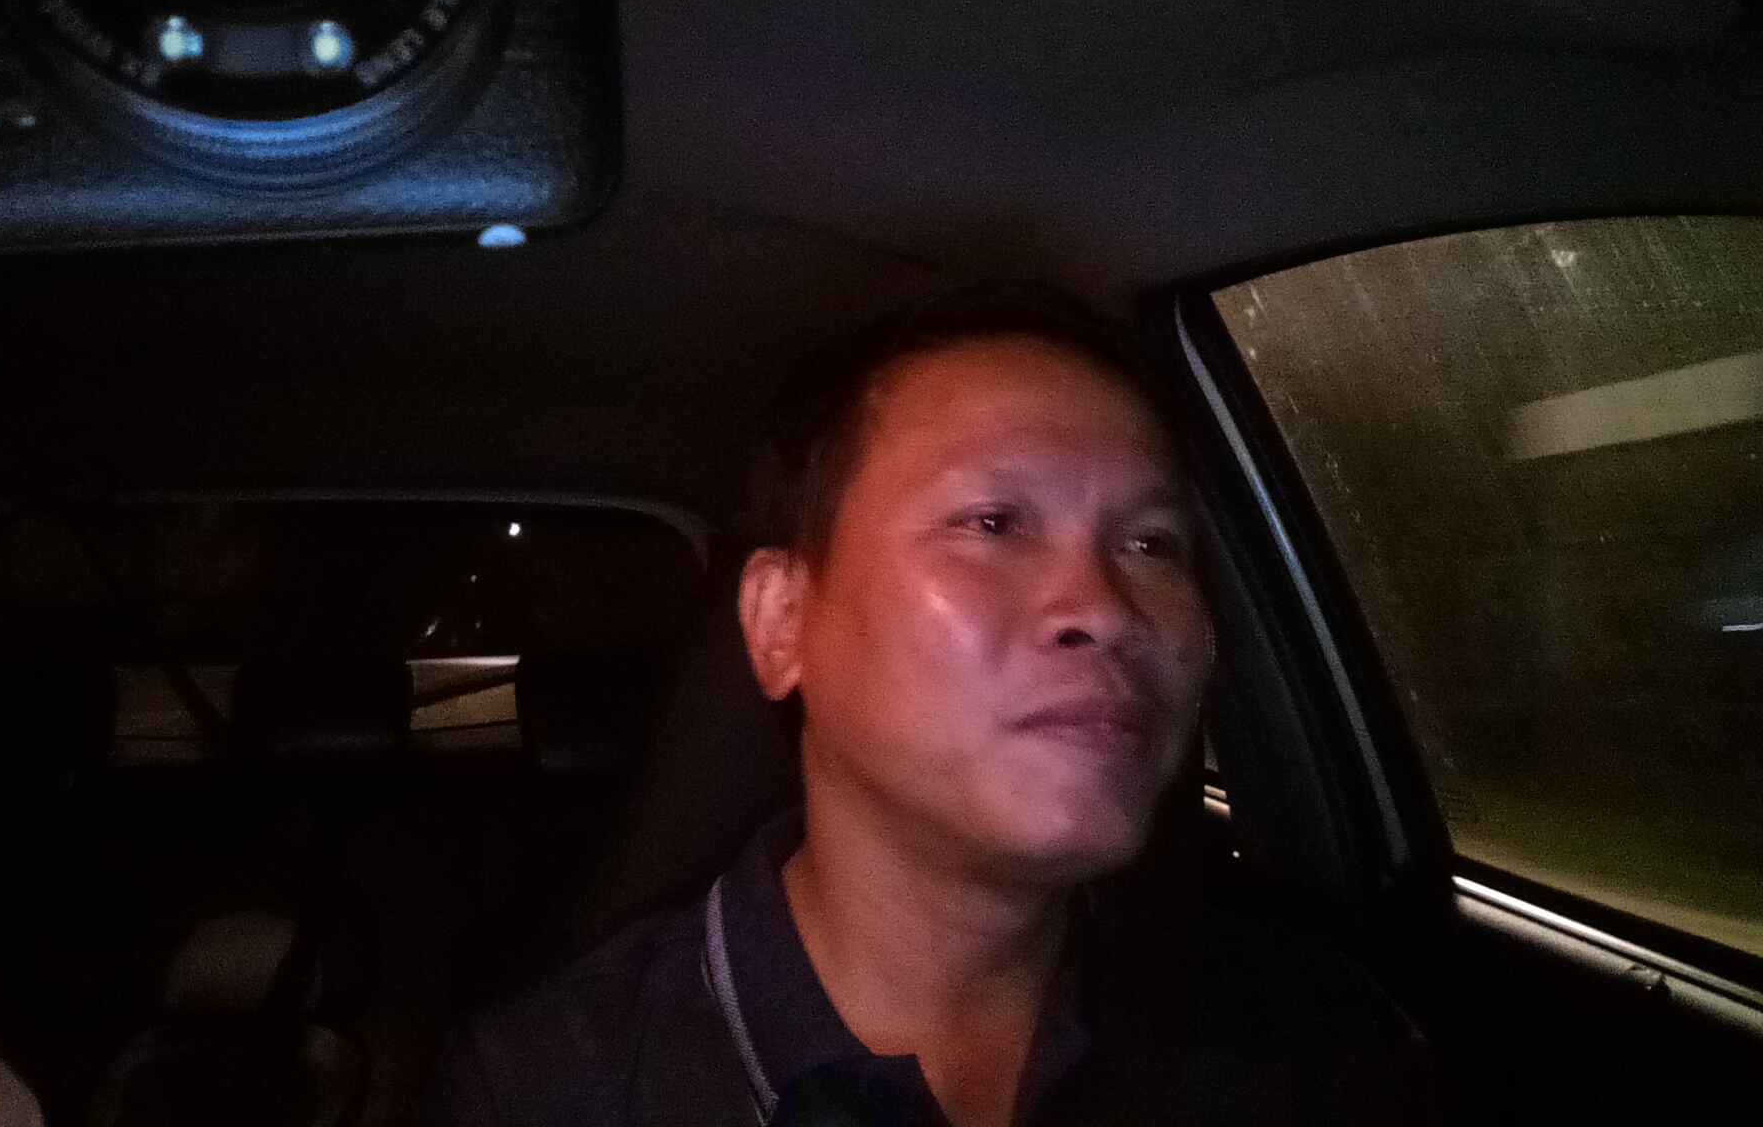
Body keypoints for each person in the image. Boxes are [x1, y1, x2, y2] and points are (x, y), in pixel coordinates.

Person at [417, 285, 1434, 1126]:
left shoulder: (1320, 1052)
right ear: (781, 622)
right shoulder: (547, 1093)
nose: (1106, 610)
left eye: (1151, 544)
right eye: (993, 523)